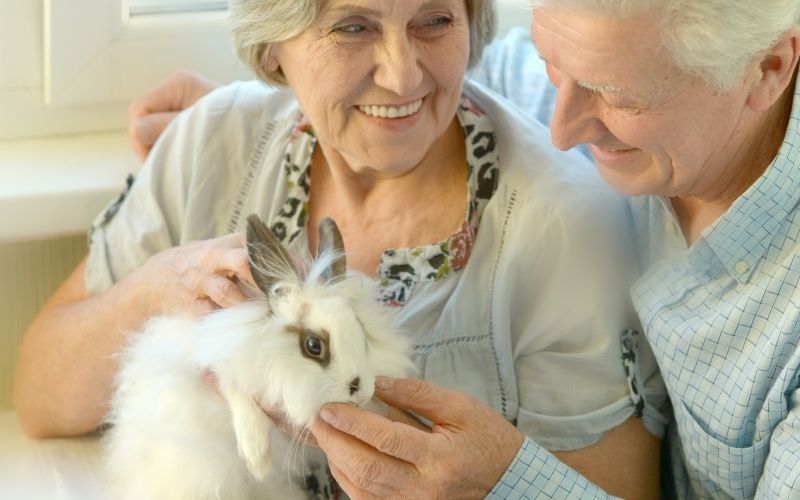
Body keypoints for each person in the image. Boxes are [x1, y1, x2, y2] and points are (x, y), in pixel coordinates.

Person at [128, 0, 800, 497]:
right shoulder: (620, 70)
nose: (562, 131)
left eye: (615, 95)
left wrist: (507, 484)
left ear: (766, 70)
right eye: (553, 68)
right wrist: (285, 107)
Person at [13, 0, 664, 498]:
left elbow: (620, 492)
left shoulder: (563, 230)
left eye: (435, 19)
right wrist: (154, 286)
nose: (403, 72)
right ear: (276, 46)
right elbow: (40, 395)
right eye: (353, 25)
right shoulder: (211, 147)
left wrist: (499, 483)